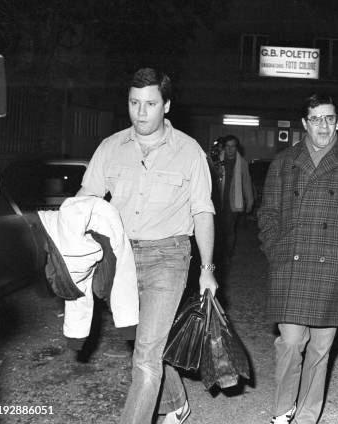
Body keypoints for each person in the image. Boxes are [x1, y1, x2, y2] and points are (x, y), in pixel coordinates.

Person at [77, 67, 218, 424]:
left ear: (166, 105)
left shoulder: (189, 151)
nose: (141, 112)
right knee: (144, 343)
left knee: (144, 356)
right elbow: (87, 197)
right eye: (134, 102)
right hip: (121, 259)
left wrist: (206, 270)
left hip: (168, 256)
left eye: (150, 103)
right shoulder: (110, 147)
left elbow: (202, 212)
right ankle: (177, 402)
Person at [258, 93, 338, 424]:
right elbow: (268, 214)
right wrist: (275, 248)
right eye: (316, 119)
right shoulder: (284, 162)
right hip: (291, 265)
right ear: (304, 123)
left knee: (320, 350)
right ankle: (283, 411)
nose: (324, 126)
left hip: (334, 266)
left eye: (330, 118)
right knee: (290, 342)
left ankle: (308, 416)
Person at [217, 135, 254, 262]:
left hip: (232, 204)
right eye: (227, 146)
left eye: (233, 146)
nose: (230, 149)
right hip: (216, 202)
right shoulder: (216, 160)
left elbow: (246, 182)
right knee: (216, 230)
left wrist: (250, 200)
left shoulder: (242, 162)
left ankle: (227, 254)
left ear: (237, 148)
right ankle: (217, 253)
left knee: (229, 230)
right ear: (224, 147)